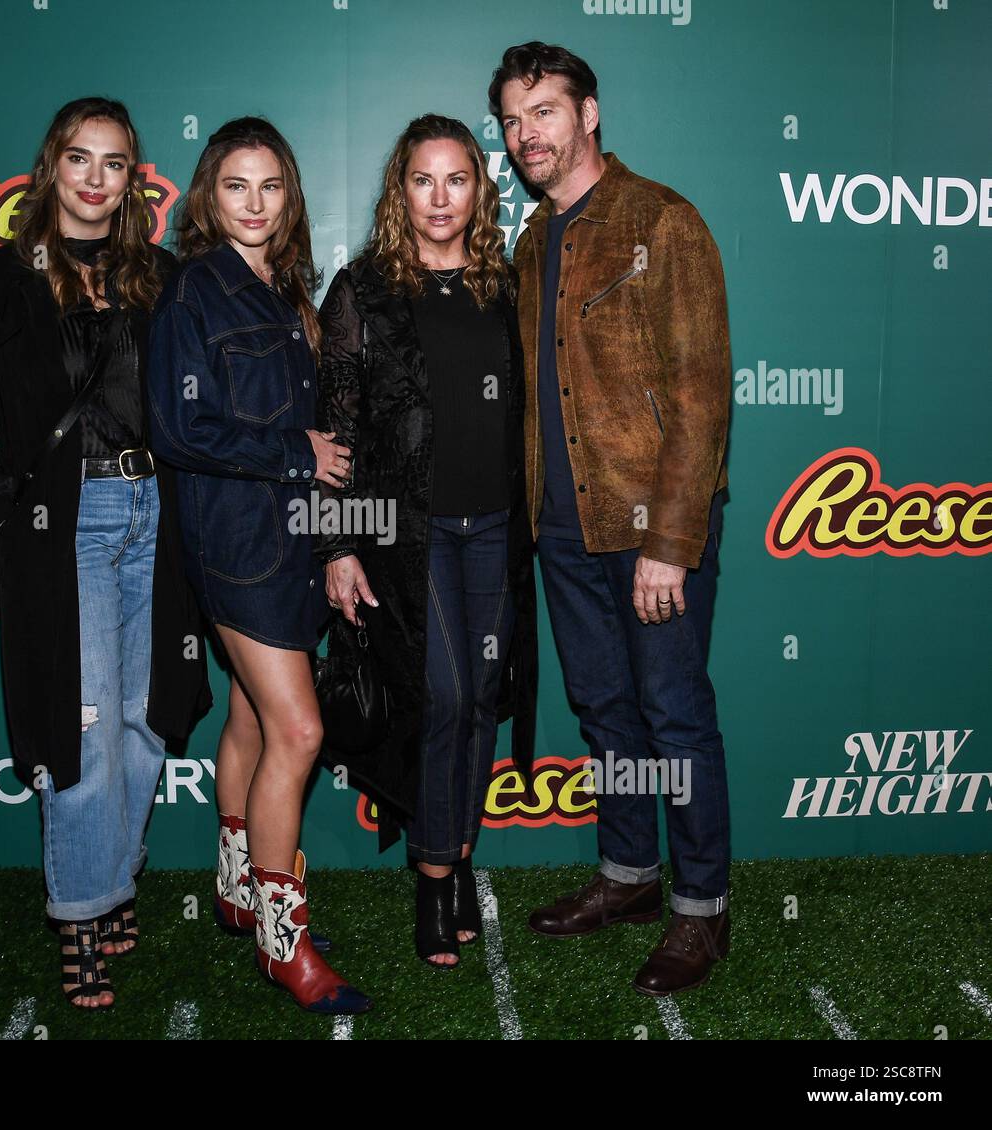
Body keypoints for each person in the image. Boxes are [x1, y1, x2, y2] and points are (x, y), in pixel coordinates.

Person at [0, 96, 211, 1009]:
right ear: (53, 165)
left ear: (136, 178)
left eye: (115, 163)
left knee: (142, 719)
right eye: (80, 160)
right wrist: (3, 516)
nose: (95, 180)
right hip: (67, 524)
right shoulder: (2, 279)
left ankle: (113, 875)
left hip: (155, 516)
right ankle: (82, 914)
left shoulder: (159, 277)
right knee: (83, 727)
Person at [490, 41, 733, 995]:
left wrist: (671, 544)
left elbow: (703, 394)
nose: (526, 135)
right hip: (562, 528)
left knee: (674, 717)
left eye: (544, 111)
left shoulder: (661, 220)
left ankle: (702, 910)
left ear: (590, 113)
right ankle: (630, 879)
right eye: (513, 119)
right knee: (606, 716)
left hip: (647, 531)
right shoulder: (530, 243)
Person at [148, 117, 370, 1015]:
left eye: (270, 187)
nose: (254, 203)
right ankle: (285, 941)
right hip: (233, 545)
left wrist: (327, 536)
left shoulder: (288, 290)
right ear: (210, 195)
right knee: (300, 733)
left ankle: (238, 889)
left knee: (248, 716)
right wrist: (294, 456)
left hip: (286, 543)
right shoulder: (192, 291)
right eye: (237, 186)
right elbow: (178, 430)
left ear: (289, 199)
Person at [315, 115, 538, 968]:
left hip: (497, 531)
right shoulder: (362, 290)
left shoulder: (504, 285)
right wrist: (334, 548)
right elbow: (333, 431)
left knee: (484, 698)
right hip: (409, 536)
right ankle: (433, 874)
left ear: (479, 190)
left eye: (457, 179)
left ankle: (460, 858)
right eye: (422, 179)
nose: (440, 198)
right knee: (443, 699)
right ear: (398, 188)